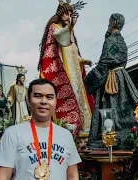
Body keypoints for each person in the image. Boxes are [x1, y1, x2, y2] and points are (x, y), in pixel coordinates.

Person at [0, 79, 81, 180]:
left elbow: (73, 175)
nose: (43, 101)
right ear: (28, 100)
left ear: (55, 102)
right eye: (38, 96)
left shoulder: (66, 135)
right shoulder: (12, 134)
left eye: (49, 97)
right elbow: (2, 176)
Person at [84, 13, 138, 150]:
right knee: (123, 107)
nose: (108, 22)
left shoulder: (110, 40)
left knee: (108, 107)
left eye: (110, 20)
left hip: (112, 79)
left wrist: (88, 79)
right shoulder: (122, 41)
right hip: (122, 77)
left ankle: (109, 140)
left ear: (114, 22)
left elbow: (103, 64)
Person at [37, 0, 94, 134]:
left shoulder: (70, 32)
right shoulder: (55, 28)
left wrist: (83, 60)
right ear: (60, 14)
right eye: (66, 14)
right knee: (70, 95)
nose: (68, 17)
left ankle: (84, 129)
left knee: (81, 97)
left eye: (70, 14)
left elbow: (74, 52)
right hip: (65, 72)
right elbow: (60, 38)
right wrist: (71, 26)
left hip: (75, 73)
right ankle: (70, 129)